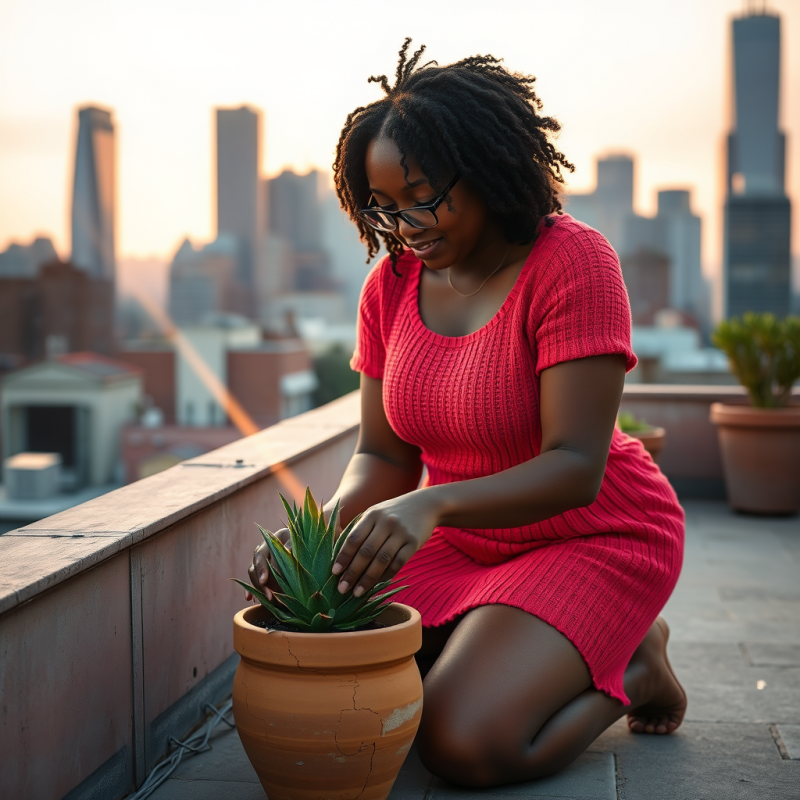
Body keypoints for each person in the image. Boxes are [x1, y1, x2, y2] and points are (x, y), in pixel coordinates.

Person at [248, 40, 686, 789]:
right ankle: (560, 652)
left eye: (420, 196)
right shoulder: (389, 287)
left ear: (484, 167)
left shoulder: (572, 263)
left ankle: (634, 667)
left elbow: (576, 468)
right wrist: (322, 533)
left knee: (460, 741)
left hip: (594, 535)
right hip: (462, 541)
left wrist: (432, 504)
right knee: (348, 665)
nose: (403, 223)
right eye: (381, 206)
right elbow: (382, 456)